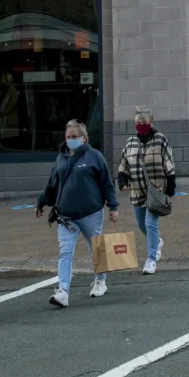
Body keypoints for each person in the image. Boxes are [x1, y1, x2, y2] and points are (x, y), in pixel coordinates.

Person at [35, 120, 121, 308]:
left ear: (84, 138)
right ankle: (63, 291)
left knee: (96, 247)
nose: (71, 140)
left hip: (90, 213)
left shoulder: (95, 157)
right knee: (65, 251)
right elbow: (52, 184)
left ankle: (100, 280)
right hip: (66, 216)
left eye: (74, 137)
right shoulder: (60, 159)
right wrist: (41, 202)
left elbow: (106, 183)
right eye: (68, 137)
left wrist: (113, 206)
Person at [116, 108, 176, 275]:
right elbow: (124, 164)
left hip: (156, 190)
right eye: (138, 123)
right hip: (136, 190)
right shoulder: (130, 142)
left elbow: (169, 164)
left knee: (151, 224)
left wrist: (170, 186)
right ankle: (157, 242)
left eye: (144, 123)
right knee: (141, 224)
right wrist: (122, 181)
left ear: (151, 123)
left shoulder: (160, 140)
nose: (141, 126)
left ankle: (151, 259)